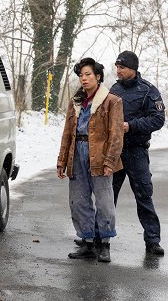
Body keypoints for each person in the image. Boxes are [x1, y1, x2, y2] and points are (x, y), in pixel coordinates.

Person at [57, 57, 124, 263]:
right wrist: (62, 161)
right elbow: (68, 133)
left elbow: (116, 136)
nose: (84, 79)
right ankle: (86, 243)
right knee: (79, 201)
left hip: (101, 155)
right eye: (81, 75)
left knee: (104, 202)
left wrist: (110, 161)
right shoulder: (76, 102)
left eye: (88, 75)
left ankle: (104, 244)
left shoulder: (112, 101)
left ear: (98, 76)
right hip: (77, 154)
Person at [109, 50, 166, 256]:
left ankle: (152, 241)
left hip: (136, 151)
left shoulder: (148, 91)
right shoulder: (114, 89)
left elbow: (158, 119)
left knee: (143, 195)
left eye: (122, 67)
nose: (118, 71)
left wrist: (130, 126)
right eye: (117, 67)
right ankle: (99, 237)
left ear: (133, 69)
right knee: (107, 196)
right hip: (115, 151)